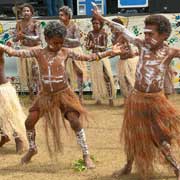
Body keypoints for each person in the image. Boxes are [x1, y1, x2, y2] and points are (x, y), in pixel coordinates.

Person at [0, 21, 121, 167]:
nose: (58, 46)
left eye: (60, 43)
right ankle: (32, 149)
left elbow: (88, 58)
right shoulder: (38, 52)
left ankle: (86, 154)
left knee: (75, 121)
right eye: (55, 43)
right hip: (45, 95)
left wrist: (109, 52)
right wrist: (3, 47)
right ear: (46, 38)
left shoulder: (65, 52)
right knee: (29, 122)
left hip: (64, 93)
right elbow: (15, 52)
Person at [93, 5, 180, 180]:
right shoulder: (142, 45)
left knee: (160, 136)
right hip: (137, 98)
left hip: (156, 101)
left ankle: (176, 167)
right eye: (145, 33)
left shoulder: (171, 51)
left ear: (164, 36)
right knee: (132, 133)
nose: (146, 37)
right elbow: (122, 29)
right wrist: (102, 19)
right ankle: (128, 165)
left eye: (151, 34)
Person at [59, 6, 88, 102]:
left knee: (79, 72)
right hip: (64, 51)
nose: (60, 17)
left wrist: (67, 39)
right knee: (65, 74)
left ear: (67, 16)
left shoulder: (74, 26)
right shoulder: (59, 26)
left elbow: (78, 41)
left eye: (62, 15)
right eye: (59, 15)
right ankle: (69, 95)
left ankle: (80, 95)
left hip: (75, 50)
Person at [0, 47, 26, 154]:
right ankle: (4, 136)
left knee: (10, 116)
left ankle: (18, 140)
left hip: (3, 89)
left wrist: (8, 48)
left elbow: (8, 50)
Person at [13, 3, 41, 100]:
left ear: (31, 13)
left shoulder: (36, 23)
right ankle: (31, 95)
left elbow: (38, 37)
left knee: (36, 73)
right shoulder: (19, 24)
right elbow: (14, 39)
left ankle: (38, 94)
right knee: (28, 73)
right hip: (25, 50)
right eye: (24, 11)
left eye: (28, 11)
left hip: (35, 50)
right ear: (21, 13)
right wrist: (18, 36)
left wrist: (25, 36)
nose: (26, 12)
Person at [85, 17, 116, 105]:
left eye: (97, 23)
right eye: (93, 23)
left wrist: (95, 46)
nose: (95, 25)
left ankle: (110, 98)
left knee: (107, 77)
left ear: (101, 24)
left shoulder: (104, 34)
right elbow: (87, 46)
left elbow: (105, 47)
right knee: (96, 78)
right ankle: (98, 98)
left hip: (102, 57)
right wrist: (90, 46)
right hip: (94, 57)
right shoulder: (90, 33)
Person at [110, 17, 138, 103]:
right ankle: (126, 101)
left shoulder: (124, 36)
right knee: (122, 82)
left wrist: (114, 53)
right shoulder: (113, 38)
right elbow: (117, 50)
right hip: (122, 61)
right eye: (111, 27)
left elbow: (128, 50)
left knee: (130, 81)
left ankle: (133, 102)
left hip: (129, 60)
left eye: (113, 26)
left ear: (119, 27)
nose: (111, 28)